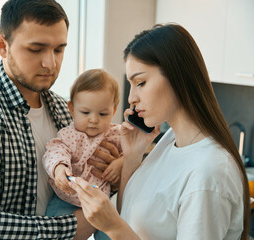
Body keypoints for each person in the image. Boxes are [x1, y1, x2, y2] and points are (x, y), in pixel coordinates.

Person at [0, 0, 119, 239]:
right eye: (36, 49)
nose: (50, 63)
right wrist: (76, 226)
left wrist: (114, 171)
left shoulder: (66, 110)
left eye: (58, 50)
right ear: (3, 46)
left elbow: (99, 182)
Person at [68, 23, 250, 240]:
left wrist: (113, 227)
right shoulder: (170, 140)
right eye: (131, 84)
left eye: (141, 82)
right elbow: (129, 214)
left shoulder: (208, 173)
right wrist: (132, 156)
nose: (131, 98)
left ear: (176, 76)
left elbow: (122, 227)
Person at [43, 69, 123, 239]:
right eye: (85, 113)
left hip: (101, 202)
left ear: (114, 111)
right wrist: (59, 168)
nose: (94, 120)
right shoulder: (70, 134)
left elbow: (132, 152)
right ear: (71, 109)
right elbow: (55, 150)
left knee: (113, 234)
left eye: (103, 114)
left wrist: (120, 163)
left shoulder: (115, 134)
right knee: (53, 231)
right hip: (66, 199)